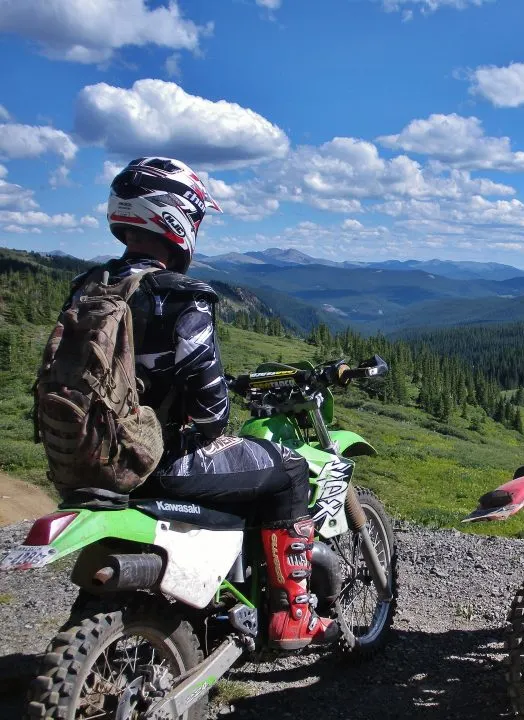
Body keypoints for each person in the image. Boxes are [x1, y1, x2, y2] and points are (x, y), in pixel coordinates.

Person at [66, 157, 331, 650]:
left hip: (87, 458)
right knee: (290, 470)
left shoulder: (89, 287)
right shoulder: (181, 295)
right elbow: (212, 414)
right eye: (197, 216)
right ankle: (291, 615)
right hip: (158, 460)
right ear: (172, 216)